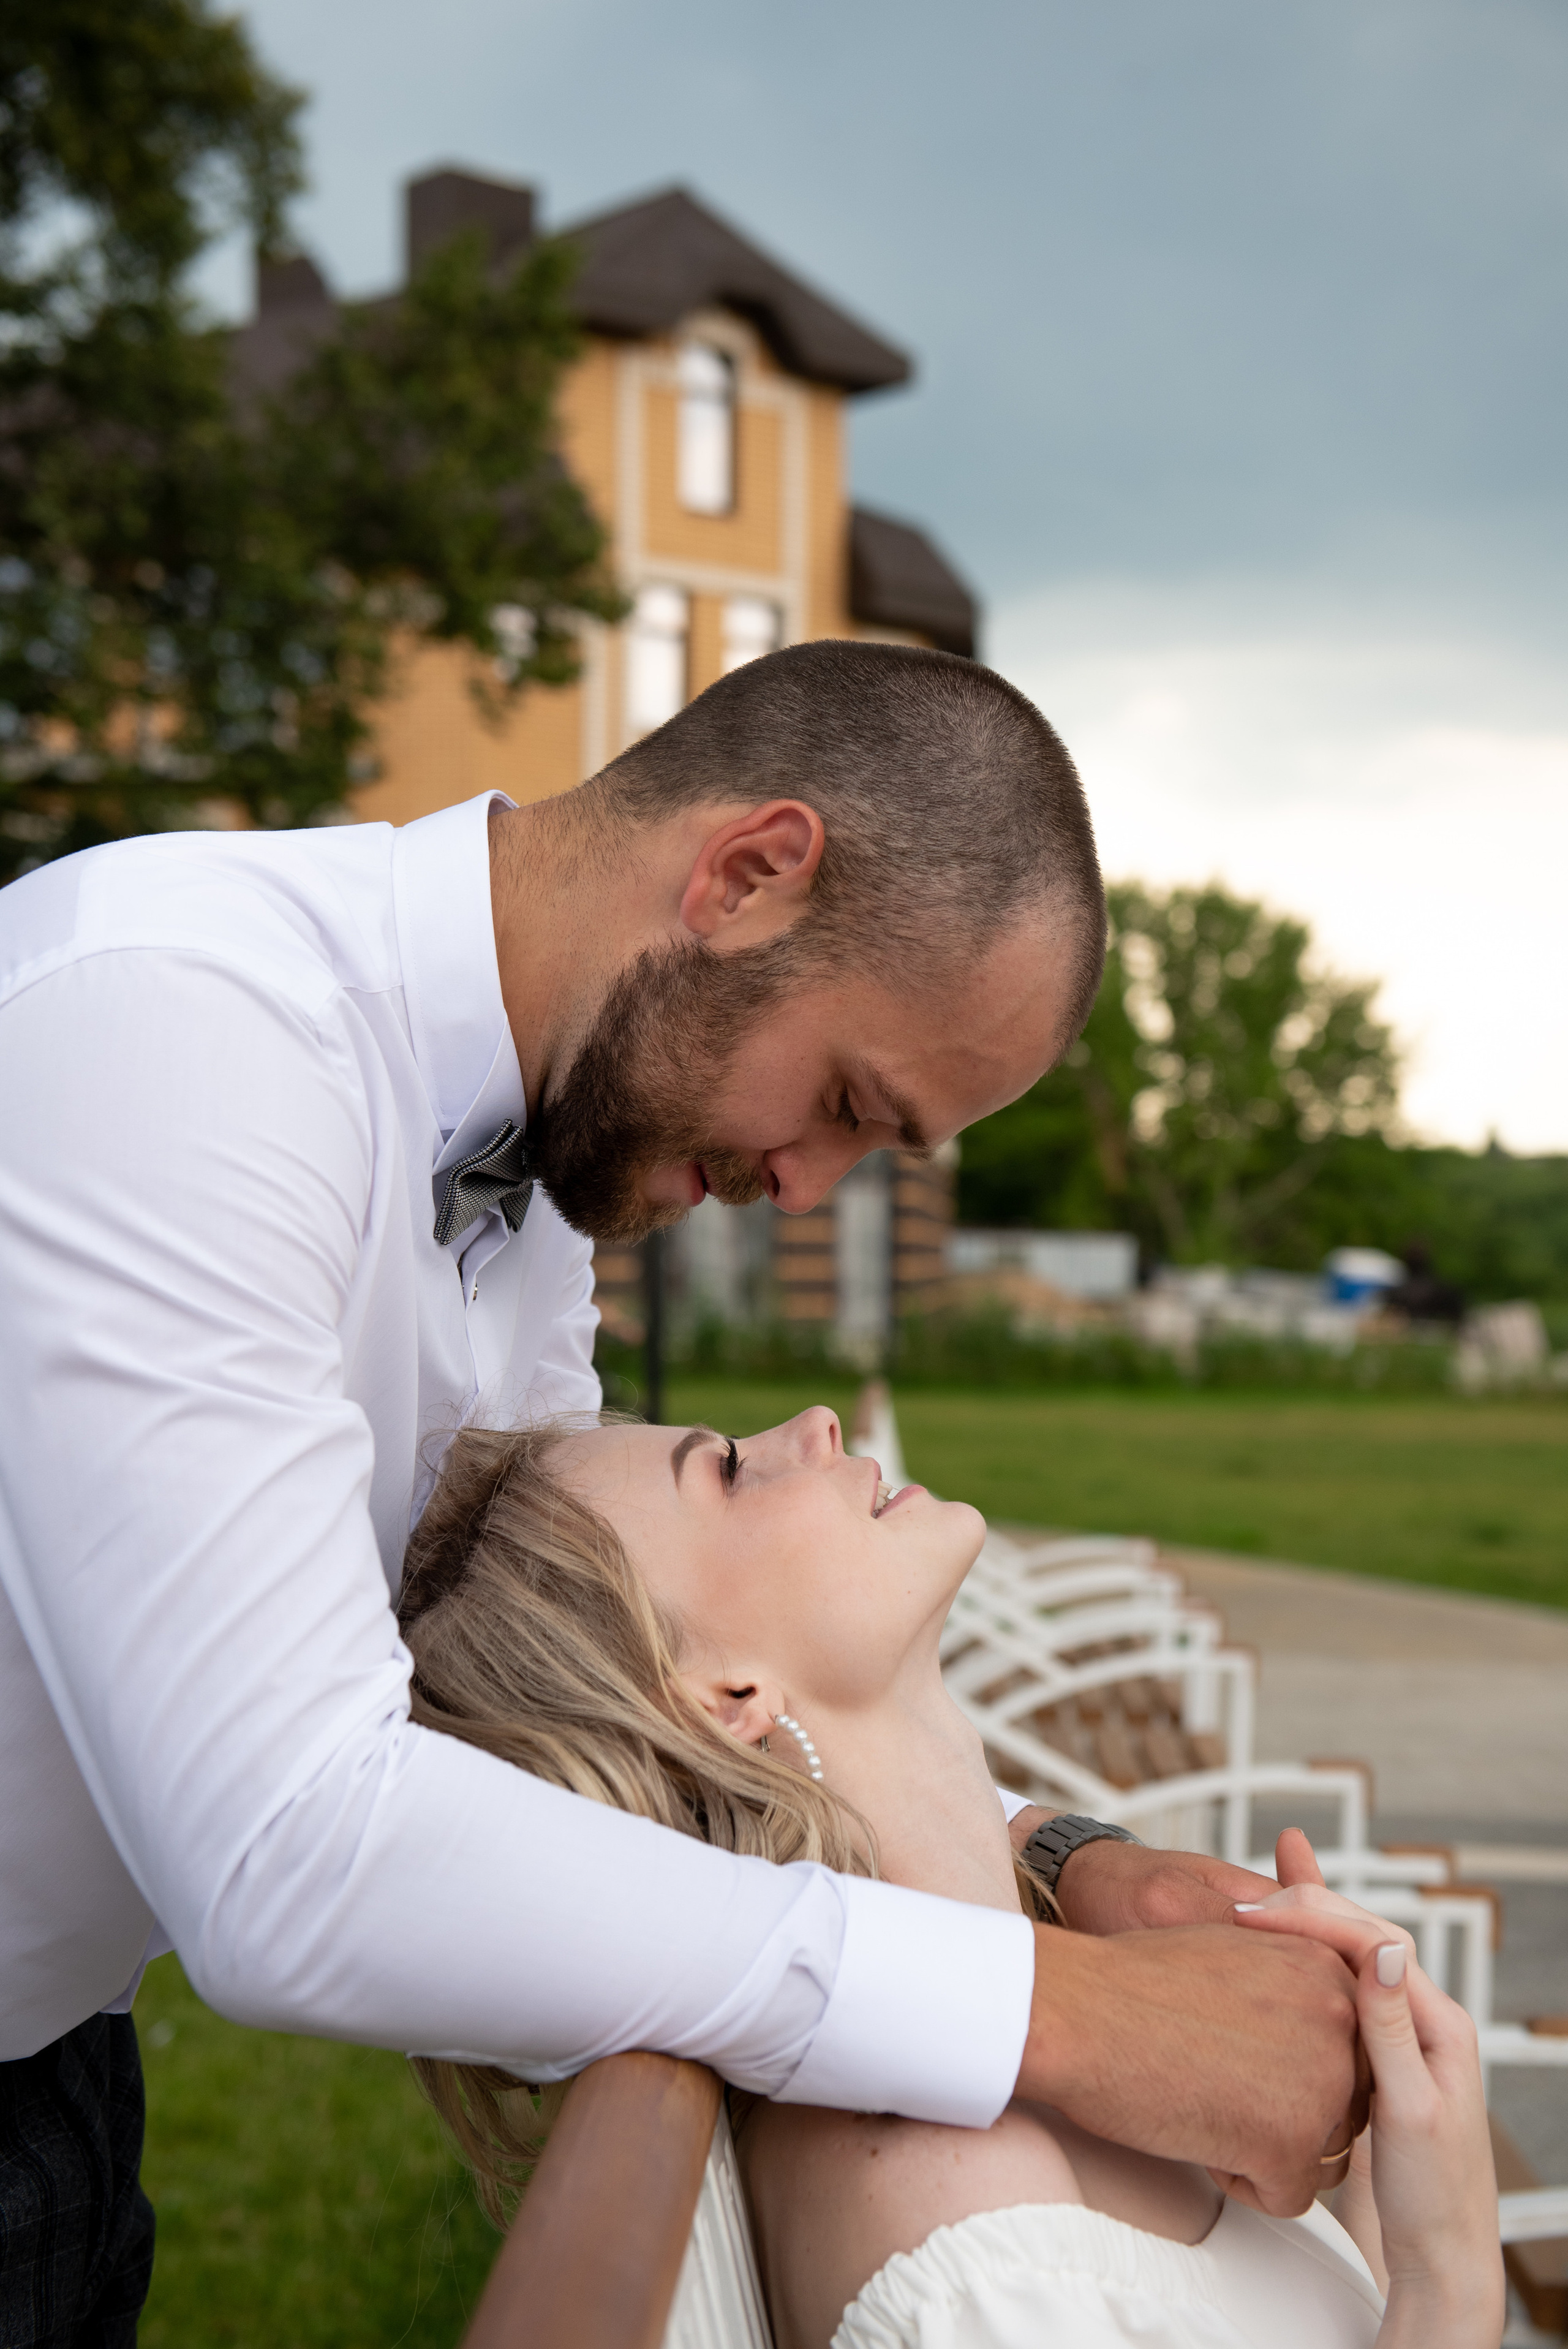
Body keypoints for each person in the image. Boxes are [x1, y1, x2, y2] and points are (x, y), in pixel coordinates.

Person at [0, 642, 1360, 2344]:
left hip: (59, 2063)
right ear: (746, 875)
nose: (803, 1187)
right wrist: (1062, 2013)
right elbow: (291, 1851)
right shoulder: (172, 1028)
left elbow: (583, 1683)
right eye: (844, 1103)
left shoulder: (537, 1160)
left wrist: (1052, 1858)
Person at [399, 1405, 1506, 2349]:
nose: (813, 1424)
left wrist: (1373, 2178)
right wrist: (1451, 2275)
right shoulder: (953, 2226)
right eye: (729, 1470)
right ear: (726, 1697)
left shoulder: (1085, 2057)